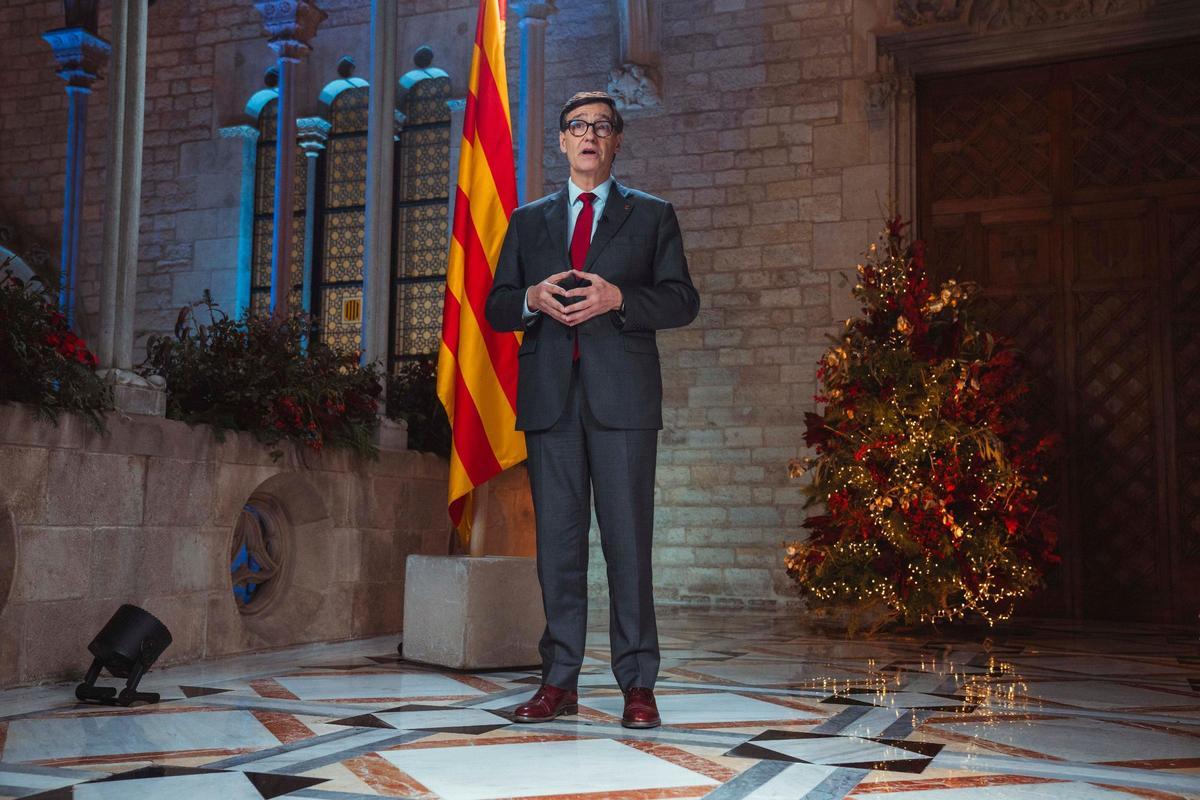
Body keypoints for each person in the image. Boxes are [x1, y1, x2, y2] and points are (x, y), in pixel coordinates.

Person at [485, 91, 700, 729]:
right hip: (550, 401)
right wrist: (530, 298)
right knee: (557, 547)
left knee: (628, 544)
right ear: (561, 141)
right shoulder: (528, 221)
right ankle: (559, 682)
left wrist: (618, 298)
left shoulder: (652, 215)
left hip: (624, 401)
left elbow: (682, 300)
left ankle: (638, 685)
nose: (589, 135)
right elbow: (496, 306)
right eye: (577, 125)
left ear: (616, 141)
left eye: (602, 126)